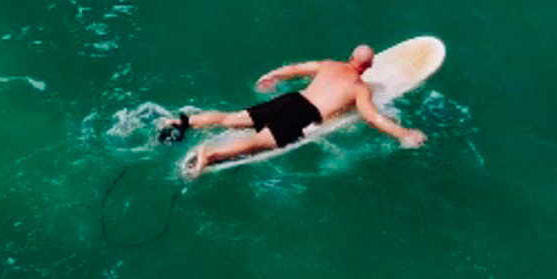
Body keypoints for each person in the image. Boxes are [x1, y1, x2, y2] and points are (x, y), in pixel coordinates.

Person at [159, 44, 426, 178]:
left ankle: (182, 121)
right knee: (257, 143)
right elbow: (372, 117)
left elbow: (297, 69)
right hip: (304, 115)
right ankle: (210, 154)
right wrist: (404, 133)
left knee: (232, 118)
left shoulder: (329, 65)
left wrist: (271, 75)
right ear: (368, 67)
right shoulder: (359, 88)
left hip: (291, 99)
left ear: (350, 58)